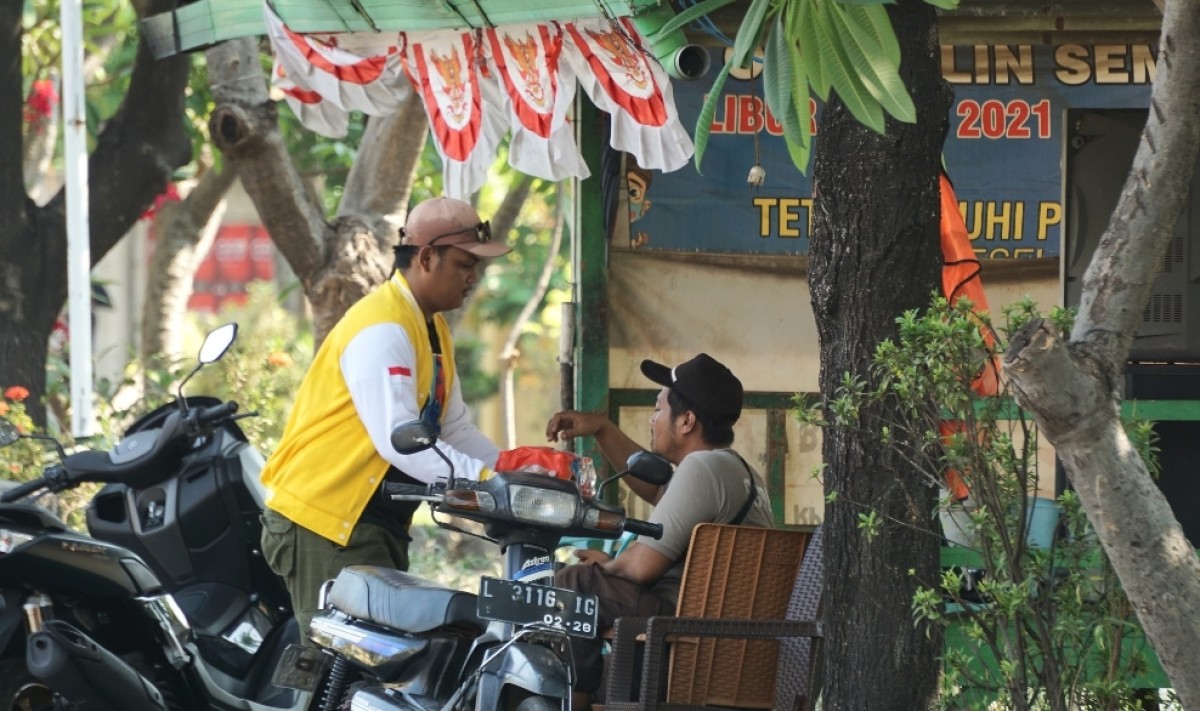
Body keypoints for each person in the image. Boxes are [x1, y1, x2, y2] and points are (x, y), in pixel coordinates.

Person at [259, 196, 512, 637]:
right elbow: (401, 439)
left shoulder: (432, 331)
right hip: (327, 520)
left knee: (377, 664)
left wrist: (512, 472)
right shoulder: (383, 328)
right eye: (464, 263)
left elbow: (453, 429)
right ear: (427, 257)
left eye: (477, 266)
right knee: (342, 667)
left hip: (370, 522)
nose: (474, 277)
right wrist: (492, 485)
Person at [545, 353, 774, 706]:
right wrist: (604, 430)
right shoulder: (735, 470)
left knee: (573, 583)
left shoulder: (703, 468)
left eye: (657, 409)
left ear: (686, 421)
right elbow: (657, 489)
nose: (652, 421)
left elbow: (641, 567)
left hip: (684, 633)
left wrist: (605, 565)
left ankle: (572, 702)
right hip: (719, 638)